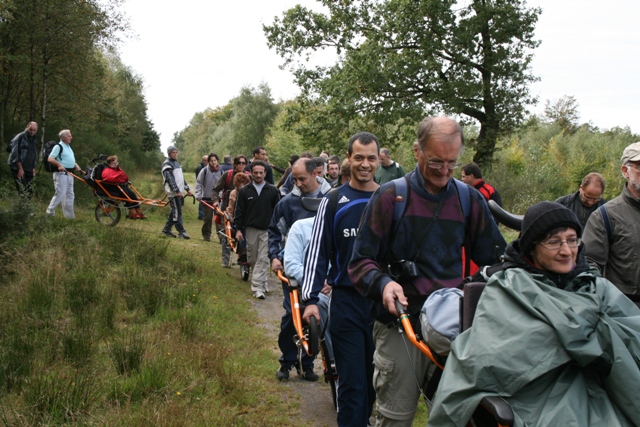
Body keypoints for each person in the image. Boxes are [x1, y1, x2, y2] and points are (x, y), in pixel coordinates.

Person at [348, 116, 506, 426]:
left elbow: (498, 259)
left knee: (454, 418)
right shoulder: (391, 197)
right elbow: (360, 262)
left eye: (452, 162)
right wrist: (383, 284)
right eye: (436, 162)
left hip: (452, 326)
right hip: (400, 325)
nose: (445, 171)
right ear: (417, 151)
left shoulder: (468, 199)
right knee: (395, 418)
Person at [428, 202, 640, 426]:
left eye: (572, 240)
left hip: (608, 390)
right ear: (531, 247)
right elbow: (489, 356)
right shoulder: (508, 288)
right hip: (539, 398)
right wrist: (587, 333)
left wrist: (595, 333)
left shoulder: (597, 287)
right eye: (554, 242)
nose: (567, 251)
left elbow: (632, 333)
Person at [302, 132, 380, 426]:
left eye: (371, 158)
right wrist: (310, 300)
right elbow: (317, 254)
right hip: (346, 304)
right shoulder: (333, 200)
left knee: (374, 386)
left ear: (377, 160)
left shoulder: (389, 199)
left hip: (380, 308)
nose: (365, 164)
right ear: (348, 158)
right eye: (358, 157)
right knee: (351, 385)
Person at [269, 157, 332, 382]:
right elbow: (275, 231)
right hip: (296, 269)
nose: (298, 183)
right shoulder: (288, 203)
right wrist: (275, 256)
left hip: (325, 272)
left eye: (302, 179)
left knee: (318, 318)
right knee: (292, 316)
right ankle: (286, 361)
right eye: (294, 179)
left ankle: (308, 363)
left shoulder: (332, 199)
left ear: (316, 174)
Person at [583, 142, 640, 304]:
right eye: (639, 166)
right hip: (625, 313)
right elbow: (590, 268)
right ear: (625, 171)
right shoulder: (605, 216)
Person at [233, 160, 280, 299]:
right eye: (256, 173)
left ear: (265, 173)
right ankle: (262, 282)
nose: (258, 175)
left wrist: (278, 229)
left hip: (267, 230)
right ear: (251, 173)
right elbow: (239, 212)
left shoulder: (272, 191)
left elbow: (278, 212)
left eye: (261, 173)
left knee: (263, 258)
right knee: (253, 258)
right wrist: (238, 230)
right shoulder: (244, 191)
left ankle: (258, 288)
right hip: (250, 229)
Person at [212, 155, 248, 267]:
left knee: (244, 234)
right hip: (227, 209)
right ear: (235, 164)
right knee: (227, 235)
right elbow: (215, 190)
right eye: (239, 163)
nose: (241, 165)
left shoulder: (249, 177)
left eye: (243, 163)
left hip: (244, 211)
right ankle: (225, 261)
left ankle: (242, 257)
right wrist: (216, 201)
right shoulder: (227, 175)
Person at [46, 129, 81, 218]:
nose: (71, 138)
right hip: (61, 174)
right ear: (64, 137)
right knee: (60, 194)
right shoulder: (59, 146)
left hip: (70, 174)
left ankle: (69, 216)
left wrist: (76, 165)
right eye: (69, 136)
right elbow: (50, 159)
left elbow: (69, 159)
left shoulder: (68, 147)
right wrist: (59, 165)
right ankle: (50, 212)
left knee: (70, 195)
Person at [161, 145, 192, 239]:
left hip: (179, 192)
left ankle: (166, 230)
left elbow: (181, 179)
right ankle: (181, 232)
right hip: (173, 193)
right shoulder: (167, 164)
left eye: (176, 152)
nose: (175, 154)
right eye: (173, 152)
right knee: (177, 211)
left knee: (175, 211)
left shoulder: (176, 164)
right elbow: (170, 179)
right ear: (169, 153)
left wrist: (187, 189)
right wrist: (176, 190)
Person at [195, 153, 223, 242]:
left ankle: (221, 237)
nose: (213, 162)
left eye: (215, 160)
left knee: (219, 220)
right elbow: (199, 183)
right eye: (211, 161)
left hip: (217, 199)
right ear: (208, 162)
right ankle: (206, 236)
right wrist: (198, 195)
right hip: (206, 199)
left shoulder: (221, 171)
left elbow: (223, 185)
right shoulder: (204, 171)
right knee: (207, 219)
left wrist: (222, 195)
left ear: (217, 161)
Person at [226, 172, 251, 264]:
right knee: (243, 228)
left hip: (249, 218)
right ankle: (243, 252)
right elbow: (230, 209)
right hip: (237, 219)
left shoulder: (251, 192)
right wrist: (232, 220)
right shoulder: (234, 193)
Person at [7, 121, 38, 197]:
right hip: (19, 168)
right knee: (23, 190)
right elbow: (15, 154)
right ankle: (21, 208)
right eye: (31, 129)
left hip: (29, 168)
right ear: (27, 127)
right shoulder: (20, 137)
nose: (32, 132)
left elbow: (34, 153)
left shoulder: (34, 139)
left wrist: (33, 167)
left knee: (29, 191)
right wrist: (20, 169)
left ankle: (26, 208)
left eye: (34, 130)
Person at [196, 155, 208, 220]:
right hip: (202, 186)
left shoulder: (208, 168)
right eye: (204, 160)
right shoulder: (200, 168)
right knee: (201, 201)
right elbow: (198, 178)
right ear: (202, 160)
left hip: (206, 186)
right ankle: (201, 215)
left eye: (206, 160)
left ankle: (204, 214)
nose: (205, 161)